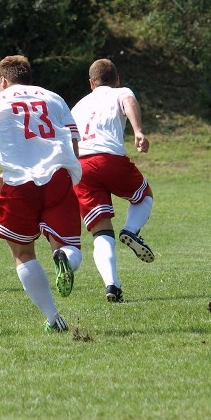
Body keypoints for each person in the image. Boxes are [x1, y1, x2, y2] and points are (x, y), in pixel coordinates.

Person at [0, 55, 83, 333]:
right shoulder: (54, 98)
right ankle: (65, 259)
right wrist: (69, 172)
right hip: (57, 175)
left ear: (3, 81)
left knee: (22, 252)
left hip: (19, 181)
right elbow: (74, 139)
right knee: (68, 245)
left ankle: (54, 318)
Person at [71, 58, 154, 303]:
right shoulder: (121, 92)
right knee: (143, 195)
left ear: (91, 83)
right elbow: (128, 101)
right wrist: (138, 131)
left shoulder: (78, 105)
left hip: (81, 167)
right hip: (109, 159)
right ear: (117, 79)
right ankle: (131, 229)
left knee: (101, 232)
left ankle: (112, 286)